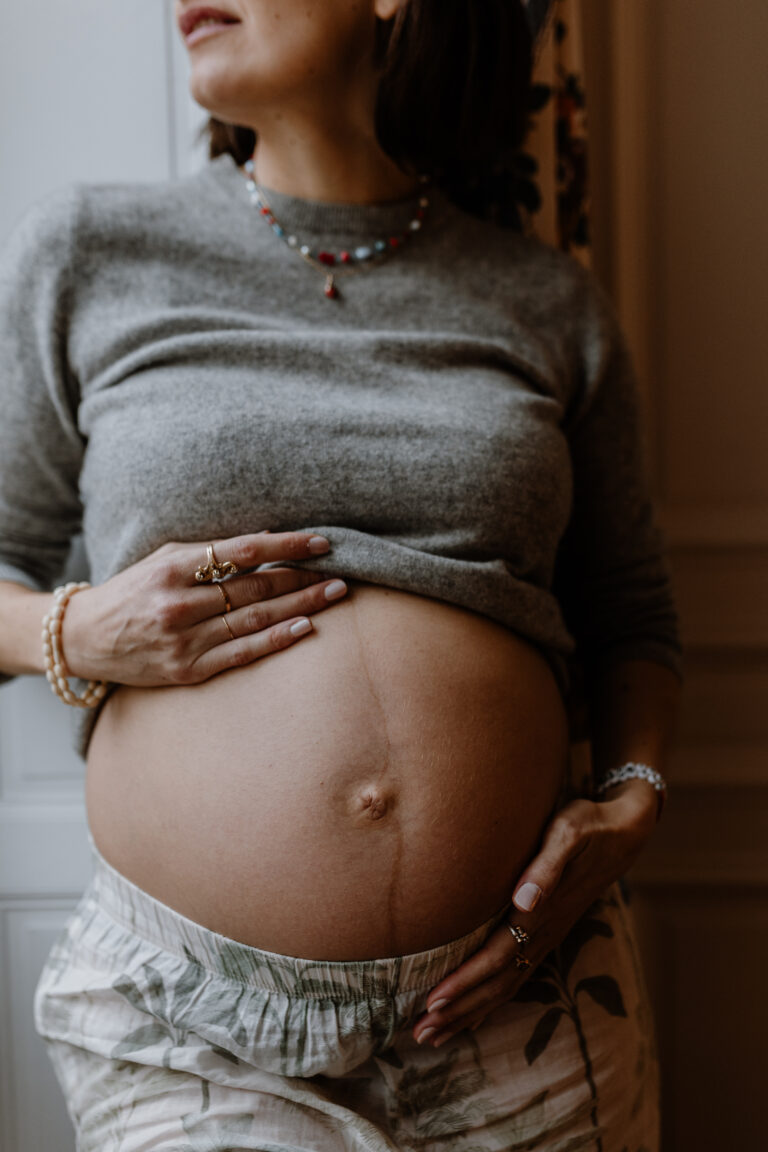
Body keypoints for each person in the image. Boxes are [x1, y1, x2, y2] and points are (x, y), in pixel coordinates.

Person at [0, 1, 683, 1148]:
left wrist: (633, 798)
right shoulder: (91, 251)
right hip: (194, 1025)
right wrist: (76, 632)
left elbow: (633, 616)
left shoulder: (548, 301)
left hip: (528, 998)